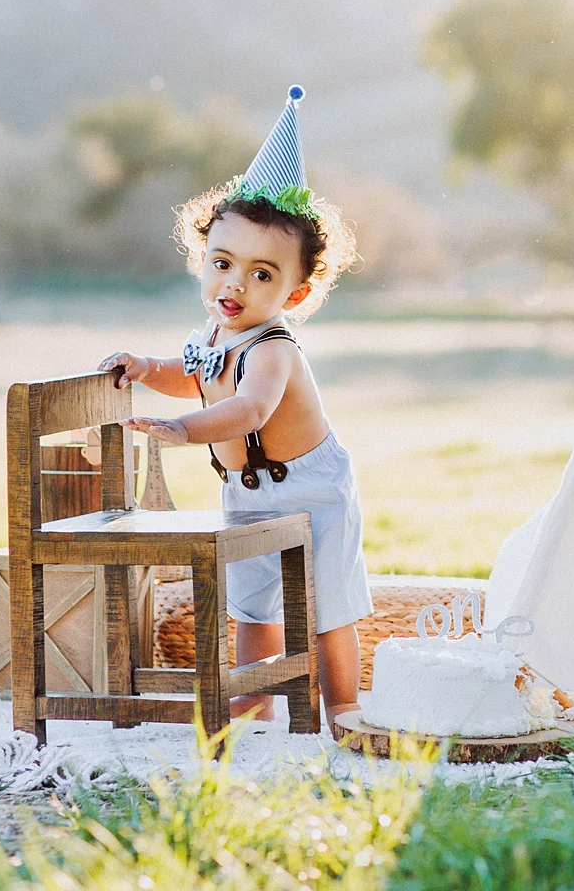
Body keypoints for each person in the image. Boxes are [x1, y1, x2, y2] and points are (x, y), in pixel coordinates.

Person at [99, 86, 370, 723]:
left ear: (297, 293)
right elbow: (187, 376)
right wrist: (145, 370)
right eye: (222, 263)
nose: (235, 284)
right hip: (245, 490)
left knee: (327, 608)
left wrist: (182, 429)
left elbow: (246, 411)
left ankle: (348, 707)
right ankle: (255, 699)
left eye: (263, 274)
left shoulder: (276, 350)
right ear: (202, 259)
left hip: (313, 489)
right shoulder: (210, 338)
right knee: (254, 605)